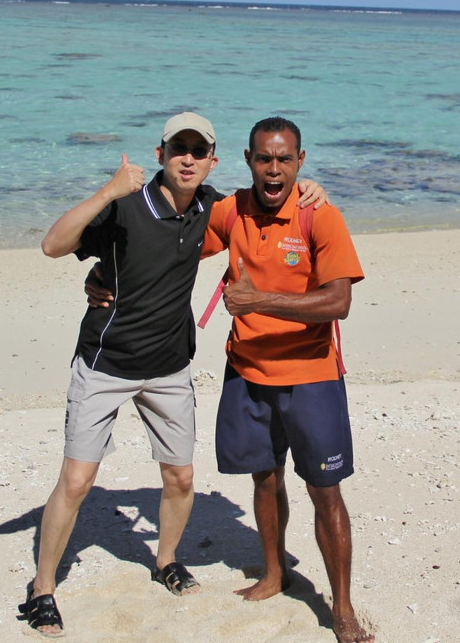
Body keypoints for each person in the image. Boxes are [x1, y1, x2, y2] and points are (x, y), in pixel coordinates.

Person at [18, 112, 327, 638]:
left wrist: (310, 187)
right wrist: (107, 191)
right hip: (105, 362)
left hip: (169, 367)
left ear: (211, 161)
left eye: (198, 150)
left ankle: (165, 562)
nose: (187, 158)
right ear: (160, 155)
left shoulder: (212, 207)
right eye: (177, 148)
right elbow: (53, 245)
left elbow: (270, 191)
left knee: (180, 476)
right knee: (76, 480)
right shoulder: (124, 208)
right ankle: (42, 588)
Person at [202, 116, 374, 643]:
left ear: (300, 161)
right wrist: (104, 275)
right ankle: (275, 573)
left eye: (283, 159)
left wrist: (259, 301)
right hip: (247, 370)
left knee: (325, 490)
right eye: (262, 158)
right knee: (265, 477)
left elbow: (338, 302)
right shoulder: (231, 210)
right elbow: (174, 236)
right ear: (248, 160)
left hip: (312, 376)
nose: (272, 170)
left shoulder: (320, 216)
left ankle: (341, 607)